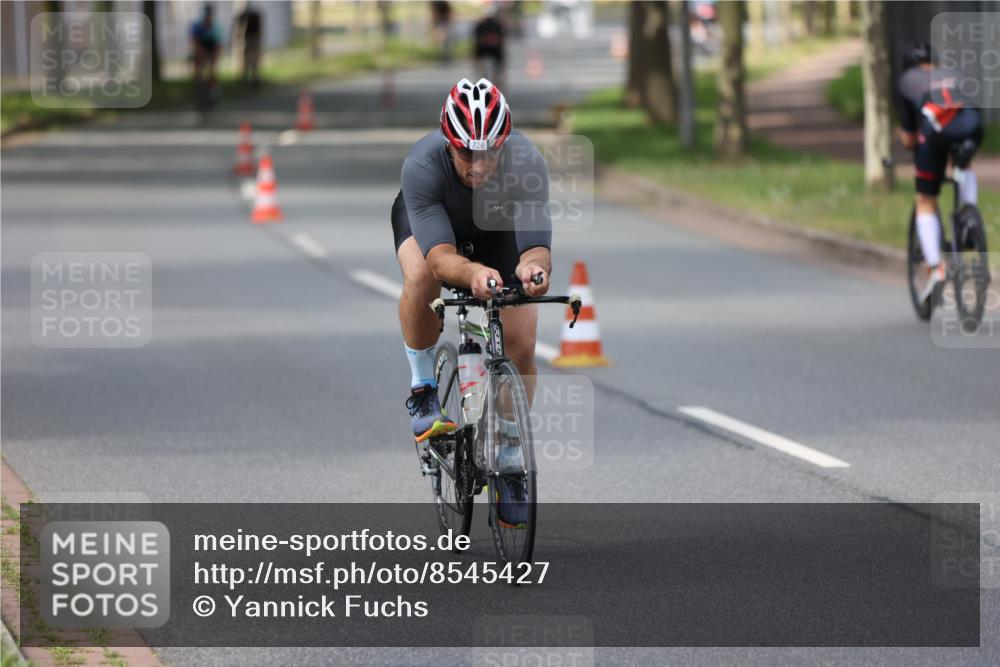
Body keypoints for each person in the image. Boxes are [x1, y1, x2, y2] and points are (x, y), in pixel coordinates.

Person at [393, 78, 552, 444]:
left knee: (522, 341)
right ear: (449, 145)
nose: (479, 166)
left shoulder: (527, 162)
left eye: (490, 153)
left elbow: (535, 248)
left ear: (504, 143)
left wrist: (533, 268)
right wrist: (475, 272)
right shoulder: (422, 164)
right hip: (434, 224)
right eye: (467, 154)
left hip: (497, 226)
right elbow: (439, 259)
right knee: (419, 275)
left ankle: (510, 445)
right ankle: (423, 388)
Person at [895, 42, 984, 301]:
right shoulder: (956, 72)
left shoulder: (905, 81)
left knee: (925, 200)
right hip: (972, 125)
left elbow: (910, 136)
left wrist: (911, 147)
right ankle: (969, 217)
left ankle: (936, 267)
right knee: (963, 164)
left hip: (936, 131)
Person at [190, 5, 221, 111]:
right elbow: (194, 42)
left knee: (212, 72)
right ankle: (198, 92)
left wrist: (214, 58)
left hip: (211, 49)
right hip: (200, 49)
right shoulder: (197, 26)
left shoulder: (215, 27)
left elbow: (218, 45)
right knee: (198, 71)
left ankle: (213, 92)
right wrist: (200, 54)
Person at [473, 10, 506, 90]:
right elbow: (502, 38)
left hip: (483, 49)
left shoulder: (480, 25)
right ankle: (498, 81)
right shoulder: (498, 25)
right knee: (499, 66)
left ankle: (481, 76)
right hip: (496, 49)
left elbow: (477, 37)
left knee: (479, 61)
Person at [233, 3, 262, 91]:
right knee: (246, 59)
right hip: (248, 39)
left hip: (253, 38)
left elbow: (259, 29)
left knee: (253, 59)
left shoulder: (254, 15)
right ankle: (246, 78)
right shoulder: (244, 15)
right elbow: (239, 27)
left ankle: (253, 78)